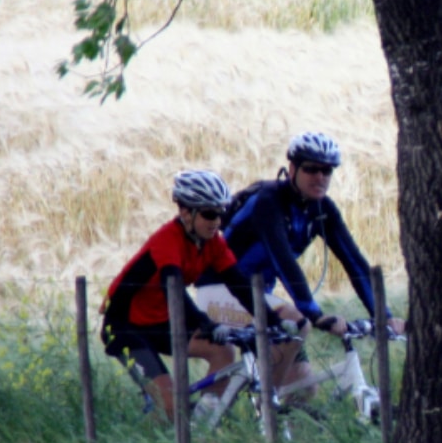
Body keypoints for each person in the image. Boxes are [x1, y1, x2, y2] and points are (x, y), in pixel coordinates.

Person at [195, 131, 404, 401]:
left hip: (258, 297)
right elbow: (283, 261)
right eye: (311, 169)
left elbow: (355, 262)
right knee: (297, 322)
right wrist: (314, 315)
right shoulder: (268, 201)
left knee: (303, 390)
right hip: (219, 291)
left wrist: (383, 315)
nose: (320, 177)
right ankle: (266, 407)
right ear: (292, 168)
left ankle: (274, 434)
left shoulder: (321, 208)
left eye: (327, 171)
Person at [101, 170, 263, 421]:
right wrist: (203, 321)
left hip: (162, 322)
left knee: (224, 352)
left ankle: (201, 426)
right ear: (186, 212)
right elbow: (173, 289)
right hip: (125, 326)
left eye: (221, 213)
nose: (217, 221)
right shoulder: (167, 240)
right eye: (209, 214)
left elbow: (238, 284)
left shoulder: (212, 242)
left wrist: (271, 319)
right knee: (171, 405)